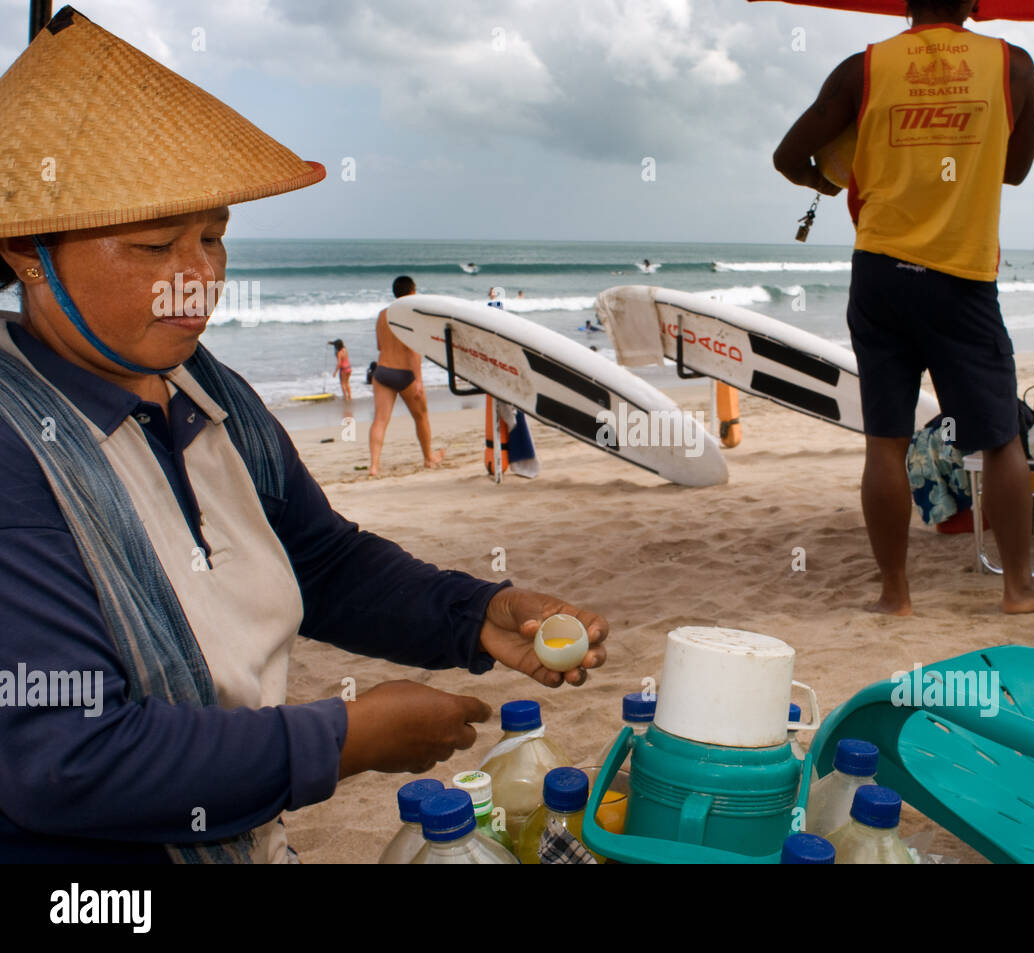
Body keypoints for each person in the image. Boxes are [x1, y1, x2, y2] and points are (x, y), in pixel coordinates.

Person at [0, 9, 607, 863]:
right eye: (152, 243)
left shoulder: (205, 385)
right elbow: (67, 757)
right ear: (28, 254)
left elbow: (317, 560)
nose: (199, 278)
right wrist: (343, 738)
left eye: (213, 237)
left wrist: (474, 615)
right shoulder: (14, 447)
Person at [774, 0, 1034, 615]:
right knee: (1001, 442)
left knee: (885, 442)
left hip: (881, 268)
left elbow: (787, 158)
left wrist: (825, 180)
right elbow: (1017, 170)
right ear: (973, 3)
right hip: (959, 272)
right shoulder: (1013, 65)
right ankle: (1018, 588)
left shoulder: (864, 67)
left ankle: (895, 594)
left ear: (907, 3)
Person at [370, 276, 442, 475]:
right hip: (406, 374)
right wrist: (418, 380)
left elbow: (379, 345)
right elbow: (413, 350)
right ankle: (428, 458)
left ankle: (374, 466)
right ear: (412, 292)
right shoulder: (412, 316)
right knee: (421, 417)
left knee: (380, 421)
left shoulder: (382, 314)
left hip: (382, 371)